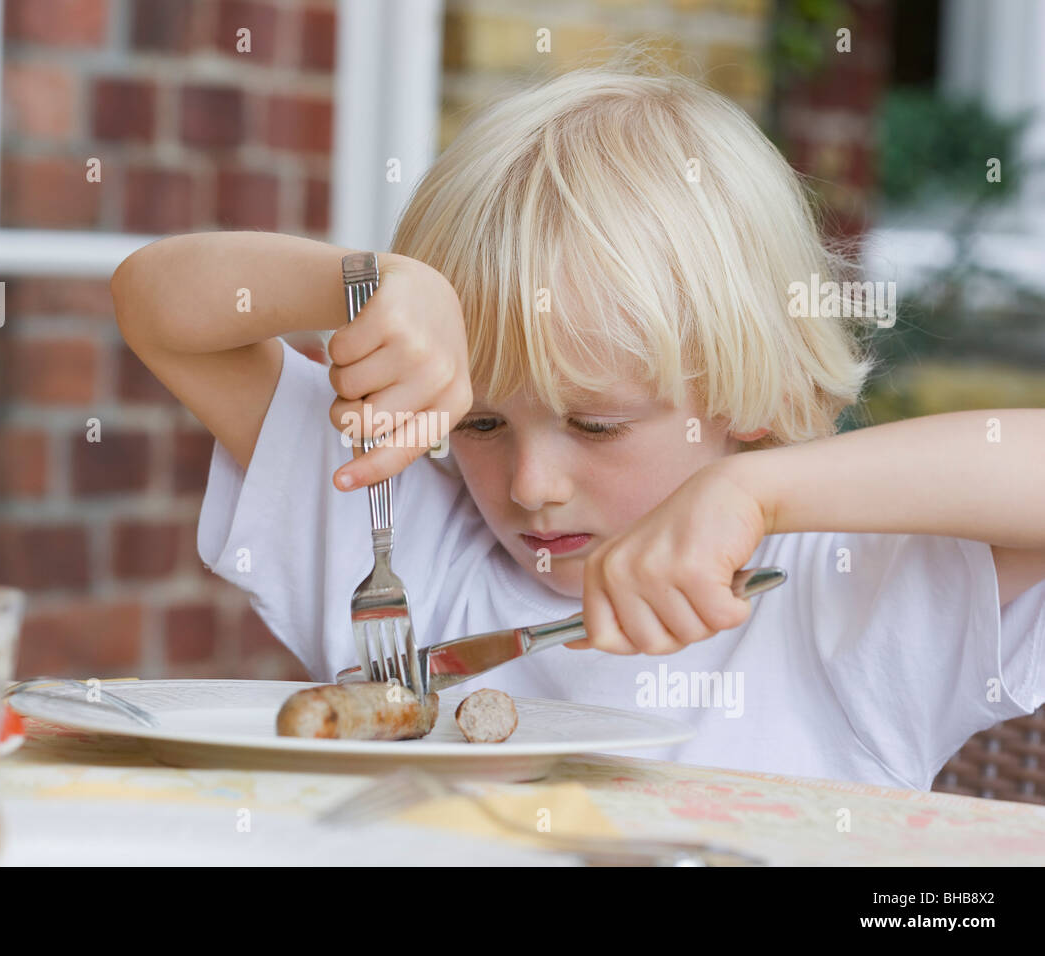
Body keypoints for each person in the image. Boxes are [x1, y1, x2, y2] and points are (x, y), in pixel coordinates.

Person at [110, 63, 1045, 790]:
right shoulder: (407, 547)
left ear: (746, 398)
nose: (529, 485)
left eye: (595, 426)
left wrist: (754, 493)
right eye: (479, 422)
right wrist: (363, 285)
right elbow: (159, 309)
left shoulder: (838, 593)